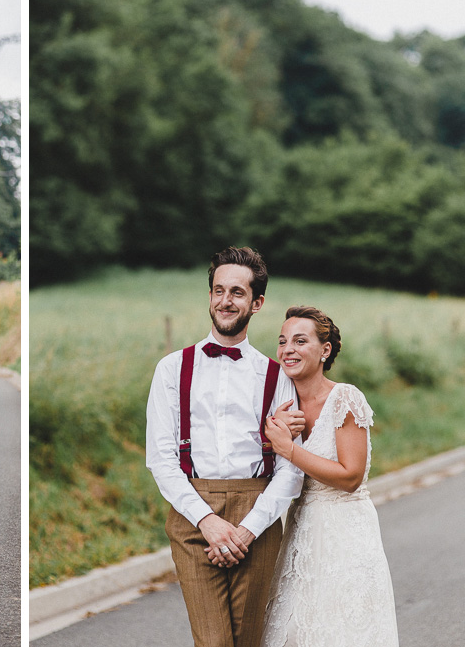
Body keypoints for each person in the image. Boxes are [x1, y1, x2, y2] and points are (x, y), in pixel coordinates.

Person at [145, 246, 306, 647]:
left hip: (259, 513)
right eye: (218, 290)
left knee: (249, 641)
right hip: (192, 513)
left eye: (237, 292)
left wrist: (247, 530)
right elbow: (161, 459)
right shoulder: (171, 368)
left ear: (257, 302)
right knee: (213, 641)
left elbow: (290, 467)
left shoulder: (277, 375)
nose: (225, 301)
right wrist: (209, 522)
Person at [260, 306, 400, 646]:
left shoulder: (345, 399)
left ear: (325, 350)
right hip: (300, 528)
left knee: (340, 628)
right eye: (282, 341)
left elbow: (350, 476)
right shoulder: (282, 403)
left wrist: (288, 448)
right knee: (294, 629)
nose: (287, 349)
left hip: (345, 531)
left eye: (299, 341)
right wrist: (272, 436)